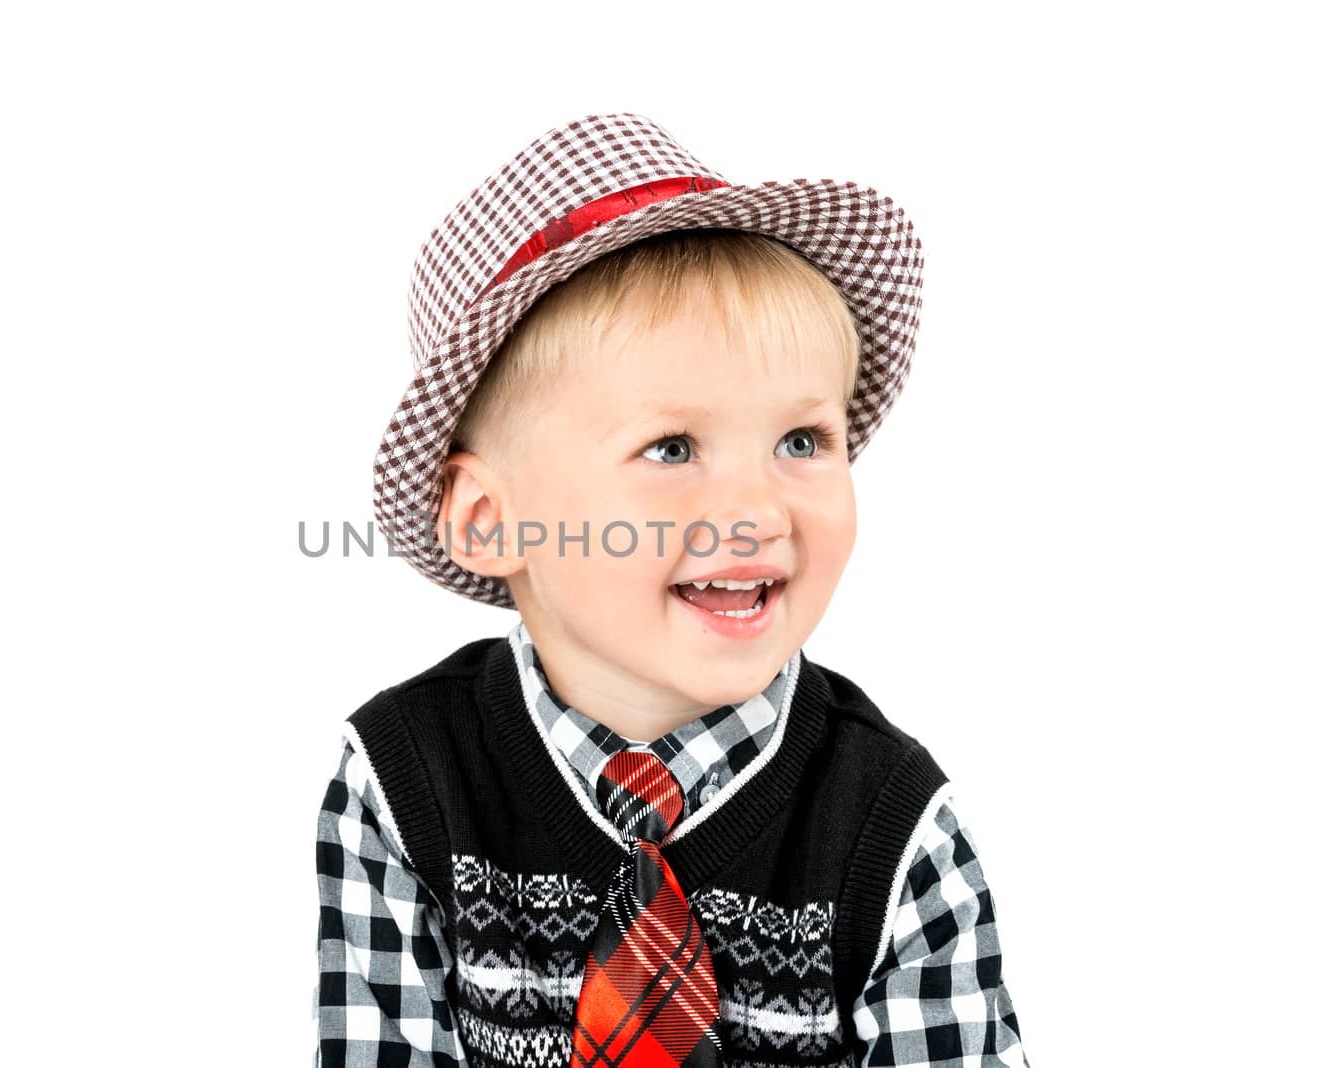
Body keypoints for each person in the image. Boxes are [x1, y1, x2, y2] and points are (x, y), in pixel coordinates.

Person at [313, 112, 1031, 1068]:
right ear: (492, 520)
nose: (756, 510)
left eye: (801, 442)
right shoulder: (404, 784)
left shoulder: (893, 829)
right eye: (672, 448)